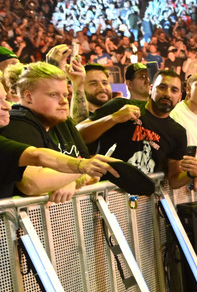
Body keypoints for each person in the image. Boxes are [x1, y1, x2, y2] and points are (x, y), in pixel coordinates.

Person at [0, 72, 119, 200]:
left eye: (65, 95)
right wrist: (82, 169)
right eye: (53, 95)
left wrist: (74, 178)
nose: (63, 101)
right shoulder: (18, 123)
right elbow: (32, 181)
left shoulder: (64, 122)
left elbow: (90, 172)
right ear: (29, 96)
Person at [76, 69, 197, 189]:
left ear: (179, 97)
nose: (167, 93)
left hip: (142, 199)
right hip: (104, 193)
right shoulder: (121, 106)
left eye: (174, 90)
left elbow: (174, 180)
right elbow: (78, 135)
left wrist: (190, 174)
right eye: (162, 87)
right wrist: (113, 118)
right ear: (151, 89)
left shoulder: (178, 132)